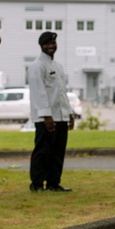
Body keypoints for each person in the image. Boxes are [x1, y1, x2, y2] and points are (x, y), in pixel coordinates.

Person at [27, 31, 75, 192]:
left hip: (60, 116)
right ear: (41, 46)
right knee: (43, 151)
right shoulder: (36, 66)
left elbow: (62, 92)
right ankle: (37, 183)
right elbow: (39, 93)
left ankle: (54, 183)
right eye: (47, 44)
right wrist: (46, 115)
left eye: (53, 43)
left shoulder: (58, 67)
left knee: (57, 152)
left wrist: (70, 113)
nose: (51, 46)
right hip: (45, 118)